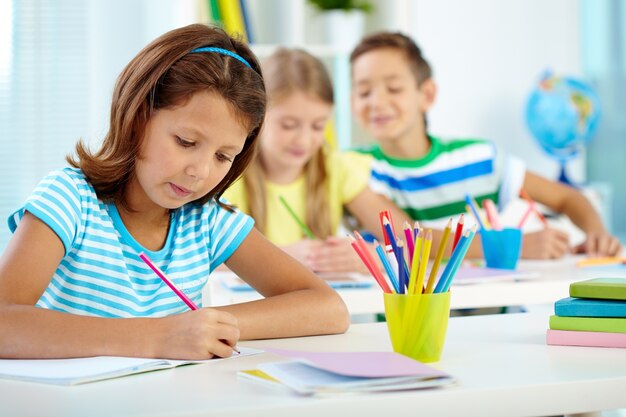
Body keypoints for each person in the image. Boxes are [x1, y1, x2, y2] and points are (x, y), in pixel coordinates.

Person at [0, 24, 349, 360]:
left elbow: (328, 308)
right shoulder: (69, 199)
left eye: (223, 156)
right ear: (138, 117)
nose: (200, 171)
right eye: (186, 142)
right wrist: (159, 336)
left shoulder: (207, 220)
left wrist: (206, 327)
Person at [348, 31, 622, 259]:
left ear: (427, 94)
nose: (376, 102)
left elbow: (568, 197)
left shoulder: (479, 158)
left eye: (394, 88)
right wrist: (513, 248)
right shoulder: (353, 169)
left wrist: (596, 233)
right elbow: (407, 238)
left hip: (493, 315)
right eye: (363, 92)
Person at [223, 47, 410, 273]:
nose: (303, 139)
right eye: (289, 125)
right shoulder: (230, 175)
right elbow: (206, 261)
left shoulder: (337, 168)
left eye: (318, 125)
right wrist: (281, 257)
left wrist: (367, 256)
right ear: (257, 118)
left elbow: (408, 246)